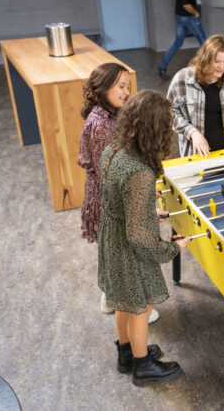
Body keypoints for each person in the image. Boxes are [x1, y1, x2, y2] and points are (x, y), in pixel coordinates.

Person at [98, 89, 190, 386]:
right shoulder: (141, 173)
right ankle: (143, 366)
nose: (169, 131)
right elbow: (137, 232)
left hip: (111, 238)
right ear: (155, 130)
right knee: (142, 304)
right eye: (166, 125)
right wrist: (170, 248)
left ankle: (127, 352)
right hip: (130, 247)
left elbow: (120, 200)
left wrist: (151, 211)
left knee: (123, 301)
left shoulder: (113, 149)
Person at [79, 63, 159, 323]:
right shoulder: (101, 125)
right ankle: (128, 304)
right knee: (125, 251)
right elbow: (115, 173)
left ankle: (111, 296)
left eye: (128, 86)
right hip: (111, 198)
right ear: (103, 88)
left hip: (108, 194)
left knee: (116, 252)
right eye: (121, 86)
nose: (126, 92)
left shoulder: (109, 113)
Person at [167, 34, 224, 157]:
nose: (222, 67)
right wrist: (193, 133)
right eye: (217, 61)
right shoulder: (182, 79)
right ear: (206, 59)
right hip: (196, 155)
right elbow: (169, 112)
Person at [155, 0, 207, 80]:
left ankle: (162, 67)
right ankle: (206, 71)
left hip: (179, 16)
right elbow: (186, 4)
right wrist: (196, 13)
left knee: (177, 43)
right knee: (205, 43)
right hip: (189, 17)